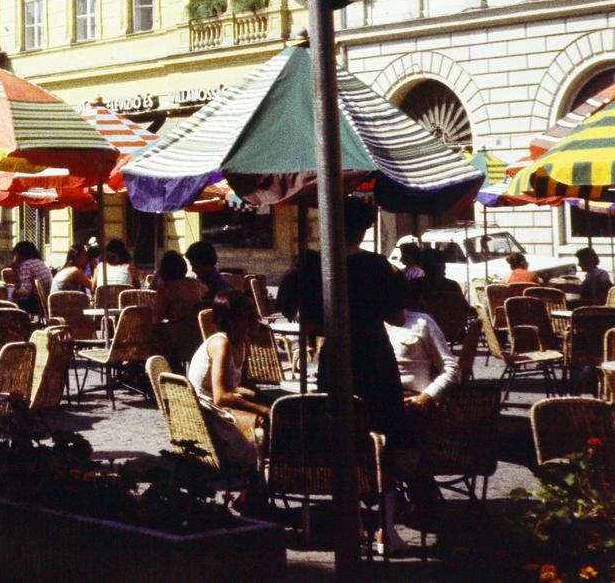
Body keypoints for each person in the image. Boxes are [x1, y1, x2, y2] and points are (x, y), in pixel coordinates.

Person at [276, 197, 406, 437]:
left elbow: (307, 322)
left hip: (336, 354)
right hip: (374, 354)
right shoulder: (378, 266)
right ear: (363, 229)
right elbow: (398, 319)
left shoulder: (315, 265)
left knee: (339, 428)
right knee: (378, 426)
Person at [186, 292, 267, 472]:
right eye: (247, 309)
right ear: (231, 318)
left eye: (253, 307)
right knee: (265, 421)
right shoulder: (220, 343)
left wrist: (260, 397)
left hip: (223, 409)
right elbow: (221, 397)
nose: (255, 313)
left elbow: (237, 386)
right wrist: (263, 409)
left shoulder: (243, 341)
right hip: (206, 413)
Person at [385, 304, 459, 408]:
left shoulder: (422, 322)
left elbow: (451, 369)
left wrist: (427, 395)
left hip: (413, 400)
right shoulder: (365, 328)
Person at [152, 250, 206, 324]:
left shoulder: (166, 288)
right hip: (197, 328)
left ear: (163, 269)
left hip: (177, 330)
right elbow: (205, 291)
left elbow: (156, 317)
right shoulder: (194, 283)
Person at [9, 241, 53, 314]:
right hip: (45, 301)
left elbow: (26, 291)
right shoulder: (40, 262)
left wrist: (12, 292)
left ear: (20, 254)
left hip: (36, 303)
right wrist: (16, 269)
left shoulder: (26, 265)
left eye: (15, 254)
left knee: (8, 300)